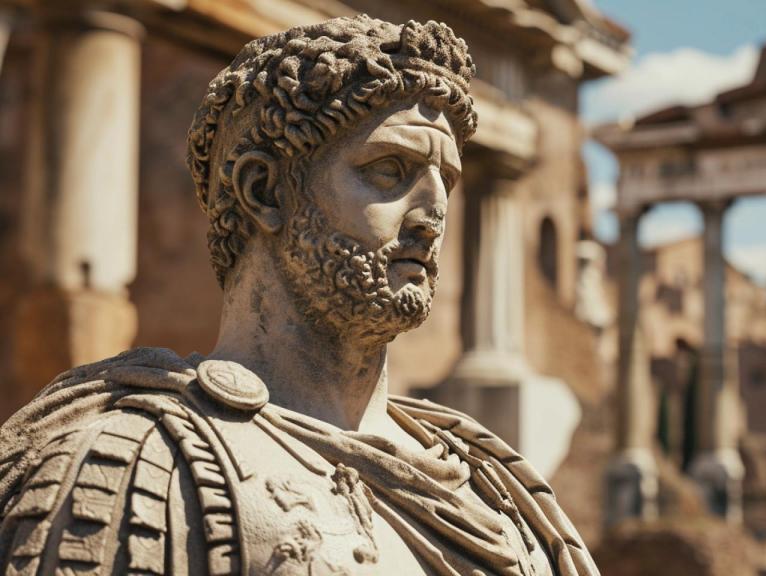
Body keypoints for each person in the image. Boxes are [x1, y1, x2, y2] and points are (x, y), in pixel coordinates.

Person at [0, 15, 596, 575]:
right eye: (390, 170)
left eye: (446, 183)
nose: (433, 214)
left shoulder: (499, 495)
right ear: (265, 191)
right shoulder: (125, 465)